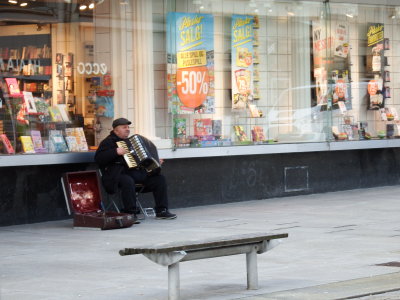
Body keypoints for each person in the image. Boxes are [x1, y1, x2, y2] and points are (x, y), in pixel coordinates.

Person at [95, 118, 176, 220]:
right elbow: (98, 159)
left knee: (159, 179)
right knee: (127, 181)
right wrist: (115, 152)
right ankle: (130, 213)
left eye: (128, 127)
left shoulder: (131, 142)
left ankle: (162, 210)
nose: (127, 129)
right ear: (115, 130)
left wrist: (154, 162)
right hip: (116, 177)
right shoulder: (108, 142)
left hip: (137, 175)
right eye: (124, 127)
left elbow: (141, 160)